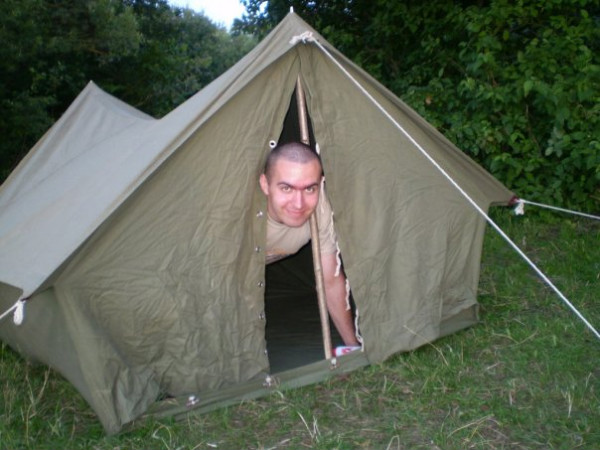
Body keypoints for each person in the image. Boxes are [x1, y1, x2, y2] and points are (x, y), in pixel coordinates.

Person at [259, 142, 360, 348]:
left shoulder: (320, 207)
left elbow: (331, 280)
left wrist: (353, 346)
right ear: (265, 184)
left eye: (309, 189)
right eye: (286, 188)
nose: (298, 203)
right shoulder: (239, 213)